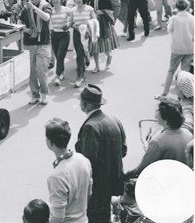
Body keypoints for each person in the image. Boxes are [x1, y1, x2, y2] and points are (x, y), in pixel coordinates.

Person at [74, 85, 127, 223]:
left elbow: (88, 162)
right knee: (105, 216)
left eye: (81, 101)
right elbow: (124, 150)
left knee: (96, 218)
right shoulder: (114, 120)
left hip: (97, 187)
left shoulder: (90, 126)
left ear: (86, 105)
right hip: (112, 182)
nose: (79, 103)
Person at [125, 98, 192, 179]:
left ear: (166, 121)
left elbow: (142, 168)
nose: (156, 111)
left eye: (158, 110)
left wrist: (127, 175)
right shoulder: (188, 134)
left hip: (165, 179)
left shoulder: (157, 142)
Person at [45, 118, 92, 223]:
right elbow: (89, 193)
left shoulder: (57, 176)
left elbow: (58, 218)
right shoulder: (83, 160)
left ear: (49, 142)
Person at [20, 0, 52, 105]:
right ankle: (35, 95)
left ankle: (44, 94)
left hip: (43, 43)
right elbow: (19, 22)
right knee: (31, 71)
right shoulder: (25, 8)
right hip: (29, 43)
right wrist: (26, 29)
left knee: (41, 70)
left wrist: (33, 8)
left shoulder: (46, 6)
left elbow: (46, 17)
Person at [159, 0, 194, 98]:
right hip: (189, 49)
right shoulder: (192, 18)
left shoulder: (174, 18)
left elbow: (169, 30)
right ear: (187, 6)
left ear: (176, 7)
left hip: (177, 49)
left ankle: (165, 93)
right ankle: (183, 95)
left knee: (171, 71)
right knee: (185, 73)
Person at [89, 0, 118, 72]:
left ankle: (109, 55)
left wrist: (102, 11)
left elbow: (111, 10)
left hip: (104, 24)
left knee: (105, 44)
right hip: (93, 23)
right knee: (95, 46)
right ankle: (97, 66)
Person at [70, 0, 96, 88]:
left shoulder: (89, 9)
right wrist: (75, 27)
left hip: (87, 33)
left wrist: (87, 27)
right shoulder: (73, 10)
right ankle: (80, 76)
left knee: (85, 51)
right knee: (79, 54)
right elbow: (71, 22)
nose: (77, 0)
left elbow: (94, 20)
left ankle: (87, 57)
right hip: (77, 33)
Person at [49, 0, 71, 86]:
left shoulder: (66, 10)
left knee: (60, 55)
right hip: (54, 35)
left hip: (64, 35)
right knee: (58, 56)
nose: (55, 1)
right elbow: (48, 22)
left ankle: (57, 76)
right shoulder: (50, 10)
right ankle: (62, 72)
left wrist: (68, 25)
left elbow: (73, 19)